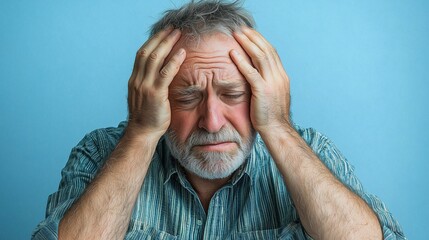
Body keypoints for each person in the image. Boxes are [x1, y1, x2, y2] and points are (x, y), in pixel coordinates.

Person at [32, 0, 406, 239]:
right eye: (186, 97)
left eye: (233, 94)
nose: (211, 122)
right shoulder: (100, 152)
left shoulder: (314, 151)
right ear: (153, 97)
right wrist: (142, 131)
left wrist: (277, 124)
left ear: (264, 92)